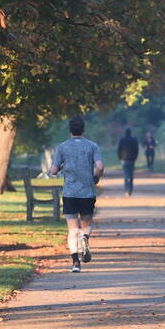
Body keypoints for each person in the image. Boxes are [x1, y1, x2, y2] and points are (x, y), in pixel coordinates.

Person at [48, 116, 103, 273]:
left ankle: (75, 263)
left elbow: (53, 170)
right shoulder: (93, 146)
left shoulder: (62, 147)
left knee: (72, 229)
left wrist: (56, 169)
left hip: (70, 193)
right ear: (83, 130)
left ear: (70, 130)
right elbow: (100, 166)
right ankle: (85, 238)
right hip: (87, 192)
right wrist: (96, 178)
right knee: (86, 224)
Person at [116, 126, 139, 196]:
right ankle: (130, 190)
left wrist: (120, 158)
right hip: (132, 160)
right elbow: (137, 150)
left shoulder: (122, 140)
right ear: (130, 132)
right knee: (131, 175)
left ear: (125, 132)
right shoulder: (134, 140)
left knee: (126, 175)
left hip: (124, 159)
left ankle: (126, 189)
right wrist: (135, 158)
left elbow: (118, 149)